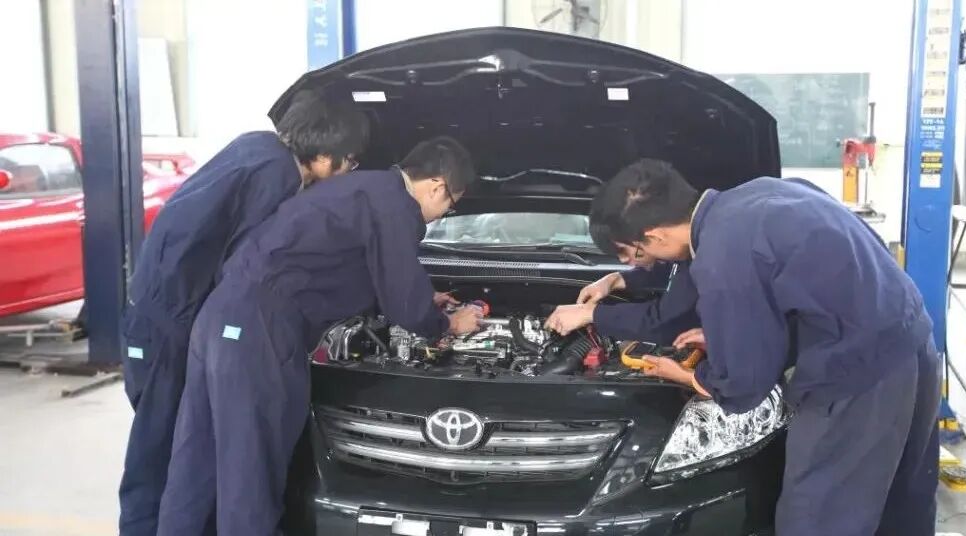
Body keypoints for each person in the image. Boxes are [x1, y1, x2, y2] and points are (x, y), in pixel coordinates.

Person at [588, 159, 940, 536]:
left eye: (635, 254)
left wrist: (689, 376)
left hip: (858, 373)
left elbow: (744, 383)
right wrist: (732, 329)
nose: (640, 264)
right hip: (913, 339)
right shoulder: (762, 193)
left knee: (817, 516)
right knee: (901, 504)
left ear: (655, 236)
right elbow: (814, 283)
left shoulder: (723, 258)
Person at [156, 136, 484, 536]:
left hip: (220, 315)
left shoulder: (361, 189)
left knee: (196, 460)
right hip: (261, 328)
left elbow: (358, 268)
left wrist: (423, 297)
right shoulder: (396, 205)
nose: (442, 214)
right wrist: (448, 324)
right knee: (251, 468)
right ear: (437, 187)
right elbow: (404, 301)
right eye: (450, 205)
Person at [118, 90, 370, 536]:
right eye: (349, 161)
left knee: (177, 453)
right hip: (168, 325)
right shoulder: (278, 175)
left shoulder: (256, 145)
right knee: (157, 455)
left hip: (159, 313)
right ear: (323, 154)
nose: (348, 171)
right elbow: (245, 269)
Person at [543, 221, 698, 344]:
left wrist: (590, 313)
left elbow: (665, 323)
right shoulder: (685, 250)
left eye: (623, 250)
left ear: (652, 235)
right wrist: (614, 280)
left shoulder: (701, 261)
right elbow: (669, 268)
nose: (623, 260)